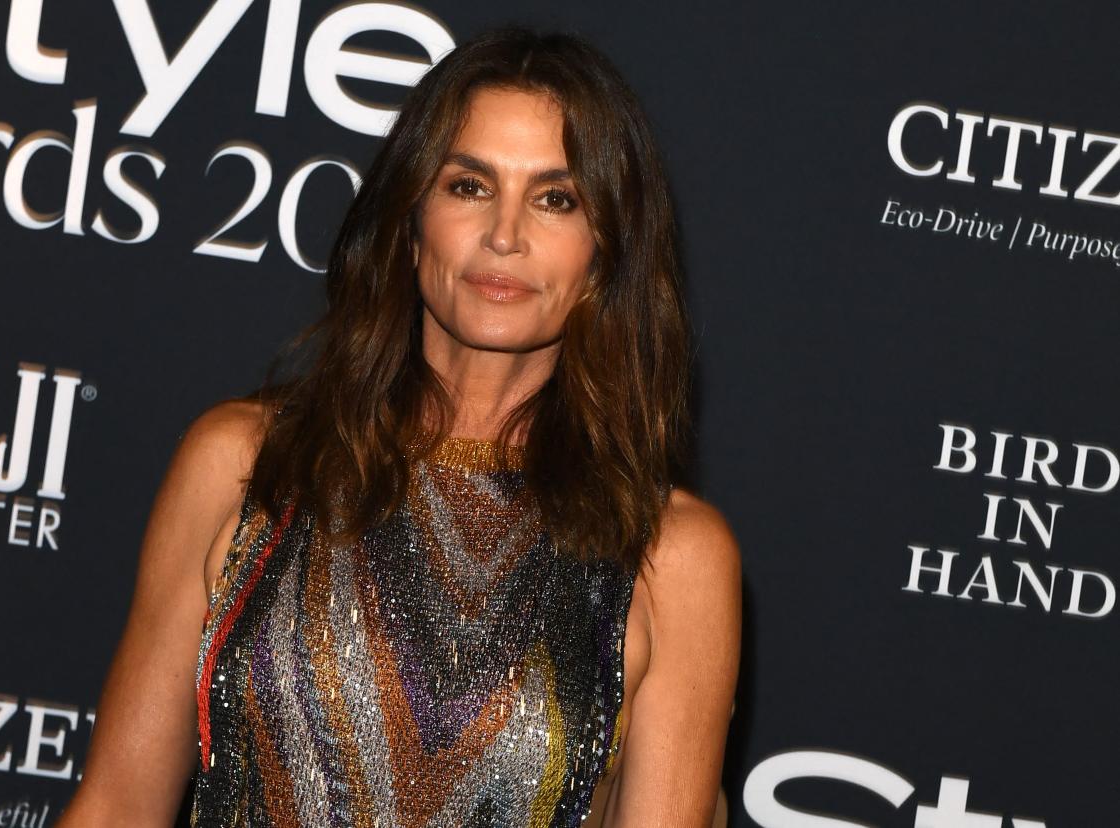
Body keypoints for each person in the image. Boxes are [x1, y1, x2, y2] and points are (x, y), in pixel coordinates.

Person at [58, 24, 740, 828]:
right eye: (469, 186)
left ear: (606, 251)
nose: (504, 235)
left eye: (557, 199)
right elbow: (114, 809)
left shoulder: (670, 555)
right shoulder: (247, 462)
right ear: (411, 220)